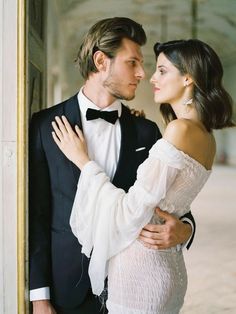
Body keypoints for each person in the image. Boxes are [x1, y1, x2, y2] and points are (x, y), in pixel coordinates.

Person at [51, 38, 235, 313]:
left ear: (188, 78)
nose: (150, 77)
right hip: (167, 268)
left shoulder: (179, 131)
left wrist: (84, 161)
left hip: (141, 276)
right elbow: (173, 201)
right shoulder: (205, 136)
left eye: (162, 70)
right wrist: (184, 229)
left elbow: (129, 211)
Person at [29, 18, 195, 314]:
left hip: (135, 286)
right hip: (67, 289)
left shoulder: (148, 132)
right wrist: (39, 297)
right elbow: (37, 216)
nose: (142, 74)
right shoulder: (44, 126)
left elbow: (175, 205)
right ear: (101, 61)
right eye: (132, 62)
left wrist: (185, 231)